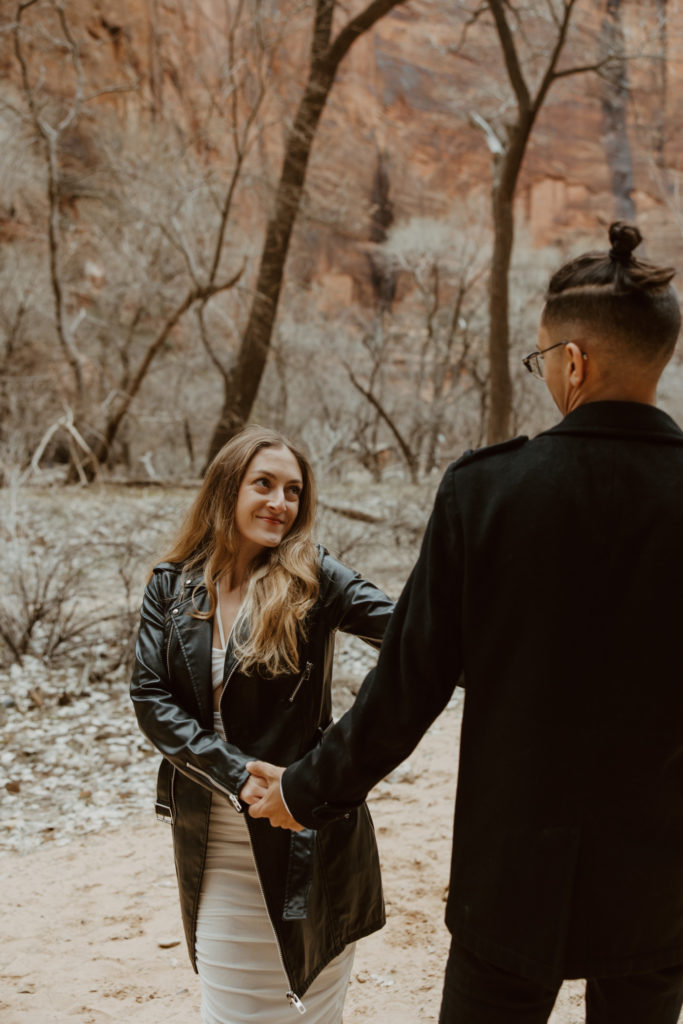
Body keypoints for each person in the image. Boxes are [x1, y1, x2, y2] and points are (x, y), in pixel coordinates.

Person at [244, 223, 683, 1024]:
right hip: (660, 878)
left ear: (572, 362)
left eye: (543, 359)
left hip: (509, 878)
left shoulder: (488, 493)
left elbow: (407, 686)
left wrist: (307, 790)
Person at [130, 426, 394, 1023]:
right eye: (265, 484)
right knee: (230, 1010)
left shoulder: (315, 579)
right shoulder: (171, 586)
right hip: (214, 842)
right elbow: (150, 696)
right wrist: (235, 775)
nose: (281, 503)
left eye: (294, 491)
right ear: (227, 489)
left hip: (308, 842)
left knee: (311, 1014)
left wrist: (343, 754)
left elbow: (414, 638)